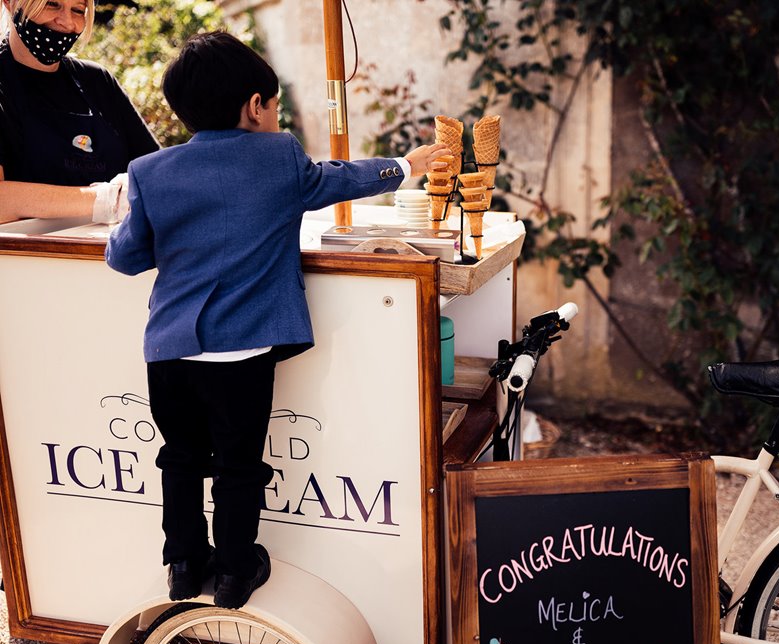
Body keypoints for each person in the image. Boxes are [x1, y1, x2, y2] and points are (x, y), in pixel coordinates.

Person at [105, 30, 450, 610]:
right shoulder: (278, 156)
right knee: (238, 464)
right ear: (255, 106)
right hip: (239, 354)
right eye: (274, 105)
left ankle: (184, 566)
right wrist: (403, 165)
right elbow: (336, 179)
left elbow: (126, 257)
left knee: (180, 458)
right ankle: (236, 573)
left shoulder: (150, 171)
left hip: (167, 353)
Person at [0, 0, 158, 223]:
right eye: (51, 4)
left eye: (77, 10)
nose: (66, 22)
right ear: (9, 2)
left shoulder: (98, 82)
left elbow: (155, 173)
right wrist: (106, 199)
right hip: (30, 255)